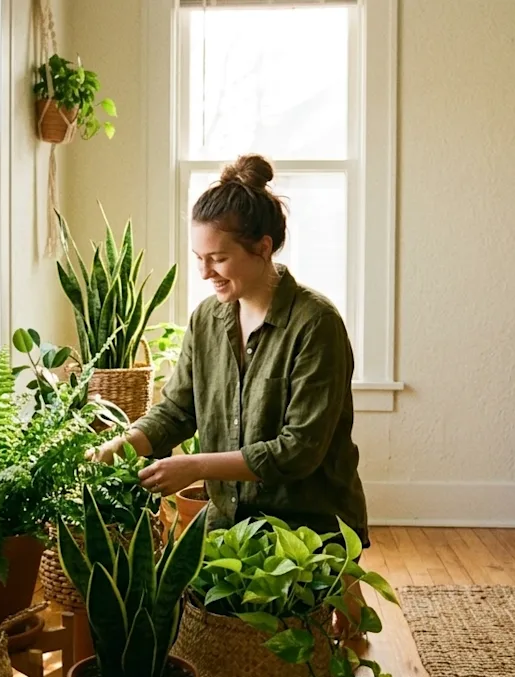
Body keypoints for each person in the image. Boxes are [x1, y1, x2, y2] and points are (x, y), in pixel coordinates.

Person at [89, 153, 369, 634]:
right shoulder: (207, 319)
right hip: (231, 518)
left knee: (316, 648)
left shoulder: (316, 324)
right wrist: (124, 444)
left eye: (218, 258)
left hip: (308, 523)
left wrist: (195, 466)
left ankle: (347, 591)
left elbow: (299, 451)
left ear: (263, 247)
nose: (205, 273)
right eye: (199, 258)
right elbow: (179, 410)